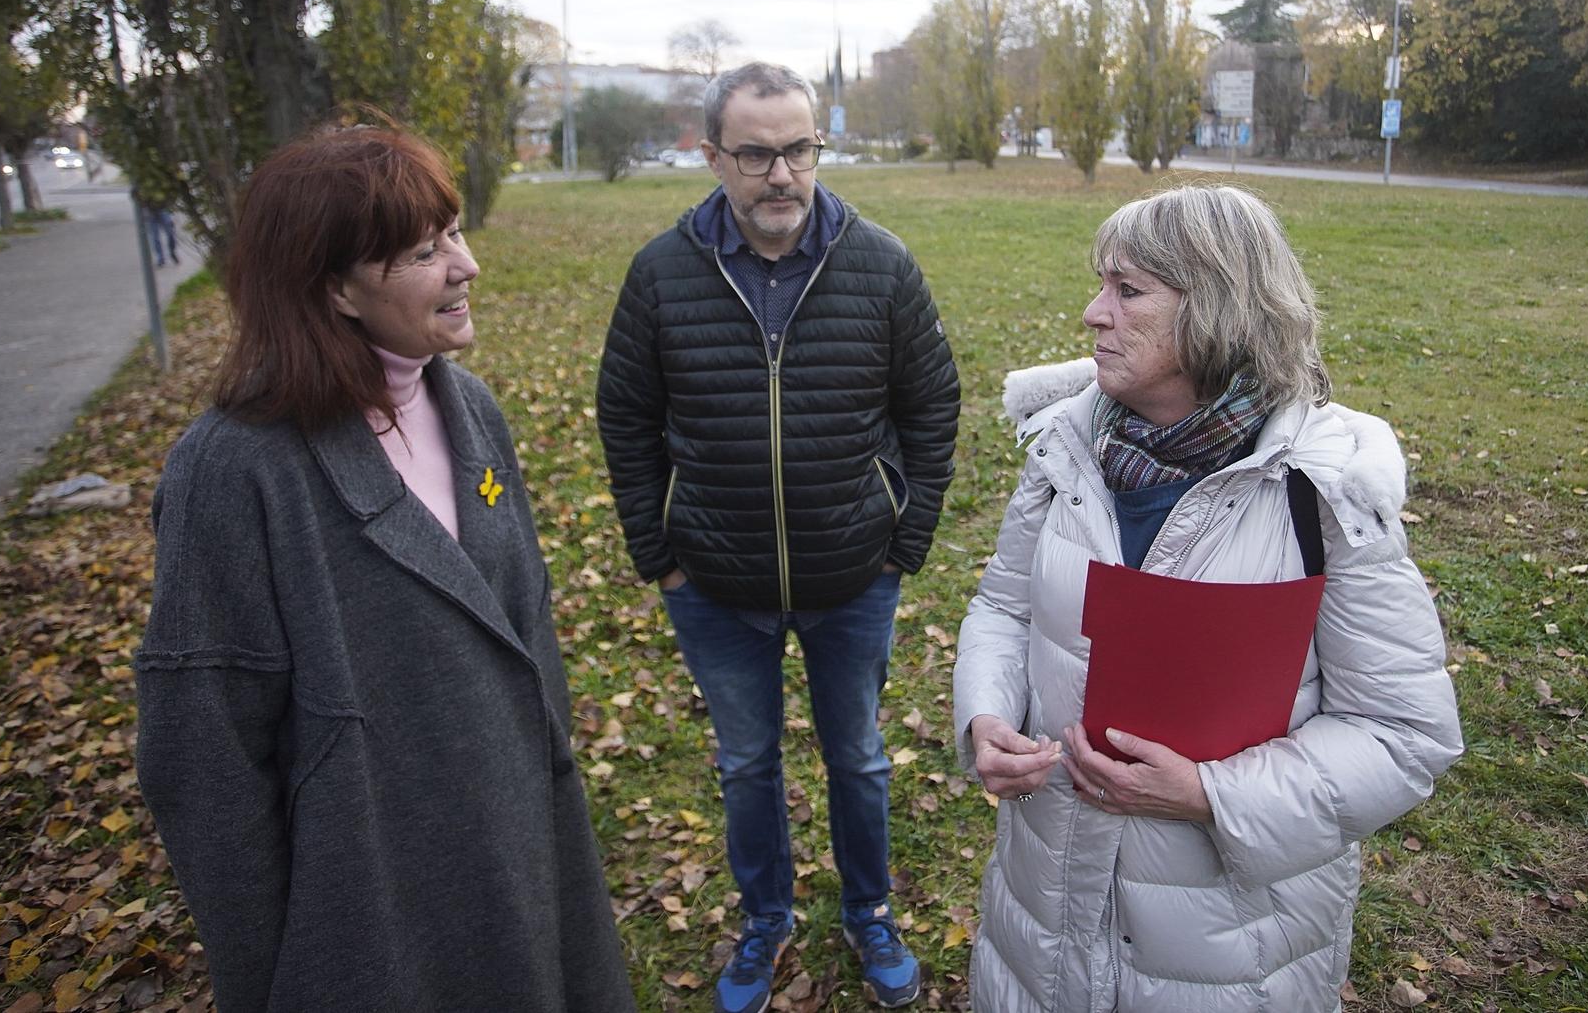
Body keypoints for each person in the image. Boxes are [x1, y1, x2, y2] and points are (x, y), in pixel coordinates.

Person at [134, 124, 635, 1013]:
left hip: (520, 859)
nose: (467, 265)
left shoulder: (465, 403)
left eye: (454, 233)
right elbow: (204, 757)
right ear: (334, 287)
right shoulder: (234, 469)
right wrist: (270, 976)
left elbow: (525, 630)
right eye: (424, 250)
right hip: (374, 916)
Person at [952, 184, 1463, 1013]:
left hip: (1233, 955)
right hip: (1043, 914)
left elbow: (1404, 734)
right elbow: (1003, 611)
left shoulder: (1322, 491)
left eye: (1129, 289)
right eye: (1100, 284)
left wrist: (1211, 797)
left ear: (1218, 308)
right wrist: (986, 716)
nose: (1092, 312)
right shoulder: (1065, 449)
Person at [596, 62, 960, 1012]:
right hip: (716, 584)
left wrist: (903, 541)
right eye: (754, 153)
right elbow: (625, 418)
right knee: (748, 762)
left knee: (860, 757)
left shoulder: (879, 262)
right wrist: (660, 556)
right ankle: (766, 917)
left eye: (797, 149)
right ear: (712, 156)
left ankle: (869, 910)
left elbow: (933, 404)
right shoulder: (663, 271)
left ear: (816, 148)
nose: (780, 175)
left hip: (854, 577)